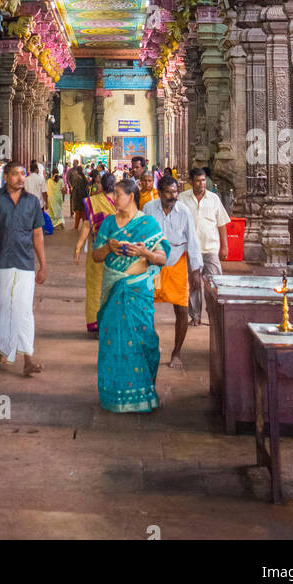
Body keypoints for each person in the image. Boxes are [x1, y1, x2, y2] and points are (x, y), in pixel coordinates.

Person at [93, 178, 169, 412]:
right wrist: (109, 248)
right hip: (114, 286)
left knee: (145, 338)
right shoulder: (108, 224)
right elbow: (96, 256)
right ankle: (114, 395)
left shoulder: (148, 224)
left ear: (131, 196)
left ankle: (144, 391)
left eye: (118, 194)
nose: (114, 198)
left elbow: (163, 258)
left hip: (138, 289)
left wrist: (144, 252)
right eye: (114, 194)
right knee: (112, 339)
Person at [0, 162, 46, 377]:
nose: (20, 178)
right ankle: (4, 351)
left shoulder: (31, 202)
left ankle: (28, 358)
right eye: (15, 174)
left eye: (23, 174)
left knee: (23, 310)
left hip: (24, 262)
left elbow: (38, 234)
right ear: (5, 176)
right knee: (2, 308)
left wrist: (43, 265)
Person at [143, 174, 202, 371]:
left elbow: (192, 240)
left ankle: (176, 352)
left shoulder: (184, 211)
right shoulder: (149, 209)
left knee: (182, 309)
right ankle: (149, 347)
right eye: (168, 192)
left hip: (177, 261)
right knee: (146, 308)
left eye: (175, 192)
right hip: (153, 264)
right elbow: (142, 236)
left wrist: (195, 271)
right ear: (159, 193)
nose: (173, 195)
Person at [179, 167, 230, 325]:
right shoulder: (182, 198)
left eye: (203, 180)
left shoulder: (213, 198)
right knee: (193, 284)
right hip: (190, 249)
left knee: (214, 283)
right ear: (191, 182)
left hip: (210, 248)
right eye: (198, 181)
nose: (201, 184)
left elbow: (221, 224)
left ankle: (215, 316)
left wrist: (224, 246)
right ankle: (195, 316)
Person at [74, 169, 117, 333]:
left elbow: (87, 225)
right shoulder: (122, 202)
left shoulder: (93, 201)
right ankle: (110, 323)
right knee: (113, 287)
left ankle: (97, 323)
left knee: (95, 288)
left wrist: (78, 246)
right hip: (116, 253)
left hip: (97, 251)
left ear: (100, 185)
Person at [70, 163, 89, 228]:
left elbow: (75, 187)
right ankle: (84, 226)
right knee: (83, 211)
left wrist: (73, 196)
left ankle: (76, 227)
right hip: (84, 196)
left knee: (77, 212)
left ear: (77, 171)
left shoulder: (76, 177)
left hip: (77, 196)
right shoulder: (85, 177)